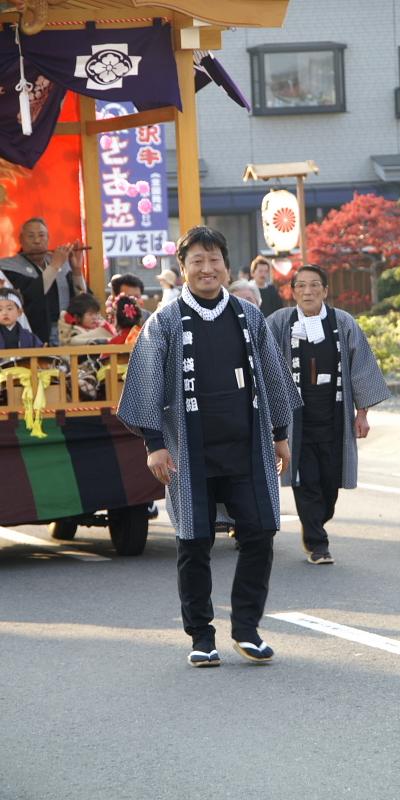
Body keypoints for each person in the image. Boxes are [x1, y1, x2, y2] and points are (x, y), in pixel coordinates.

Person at [117, 226, 301, 668]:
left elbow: (273, 378)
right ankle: (201, 634)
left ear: (225, 263)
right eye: (196, 260)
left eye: (213, 259)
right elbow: (145, 385)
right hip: (188, 451)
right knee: (194, 542)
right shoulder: (162, 320)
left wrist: (279, 434)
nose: (206, 268)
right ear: (183, 269)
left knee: (260, 532)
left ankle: (247, 629)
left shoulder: (248, 315)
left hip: (247, 446)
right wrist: (155, 445)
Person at [268, 264, 390, 565]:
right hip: (295, 419)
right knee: (303, 477)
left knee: (329, 483)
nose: (307, 291)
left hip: (334, 415)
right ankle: (317, 543)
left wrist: (362, 413)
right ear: (292, 291)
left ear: (325, 290)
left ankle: (318, 520)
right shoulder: (280, 322)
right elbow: (261, 359)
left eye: (314, 285)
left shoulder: (342, 322)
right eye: (300, 286)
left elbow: (360, 367)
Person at [0, 217, 86, 344]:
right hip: (32, 332)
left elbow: (83, 299)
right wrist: (54, 266)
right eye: (31, 236)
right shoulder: (9, 267)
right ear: (21, 240)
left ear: (48, 238)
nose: (36, 241)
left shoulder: (61, 262)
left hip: (68, 330)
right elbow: (29, 296)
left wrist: (77, 270)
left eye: (41, 235)